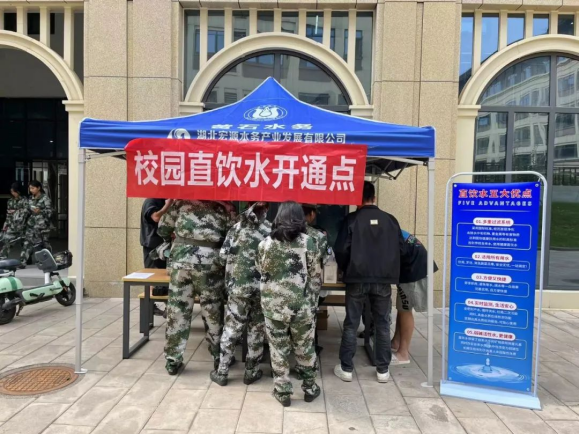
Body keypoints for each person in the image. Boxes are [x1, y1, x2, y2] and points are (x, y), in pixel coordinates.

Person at [333, 181, 408, 383]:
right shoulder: (391, 220)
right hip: (383, 280)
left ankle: (346, 368)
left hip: (356, 278)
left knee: (351, 323)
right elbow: (402, 250)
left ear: (357, 198)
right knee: (382, 323)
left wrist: (347, 268)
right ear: (374, 197)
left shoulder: (351, 220)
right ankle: (383, 370)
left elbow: (340, 250)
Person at [158, 200, 237, 375]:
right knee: (212, 312)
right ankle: (218, 357)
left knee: (177, 310)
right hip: (210, 263)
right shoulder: (224, 206)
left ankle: (173, 360)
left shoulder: (180, 202)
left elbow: (163, 228)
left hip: (181, 262)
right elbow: (234, 234)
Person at [255, 201, 321, 407]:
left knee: (278, 348)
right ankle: (310, 388)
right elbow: (315, 276)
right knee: (305, 347)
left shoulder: (265, 244)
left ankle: (282, 391)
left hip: (273, 307)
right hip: (301, 307)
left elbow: (260, 270)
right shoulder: (309, 242)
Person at [210, 202, 271, 387]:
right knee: (256, 331)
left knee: (231, 330)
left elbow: (222, 257)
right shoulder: (271, 230)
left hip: (237, 289)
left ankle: (222, 372)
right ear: (266, 210)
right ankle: (251, 372)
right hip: (261, 290)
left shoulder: (235, 229)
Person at [390, 230, 437, 365]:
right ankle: (396, 342)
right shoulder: (389, 225)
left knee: (406, 309)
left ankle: (403, 354)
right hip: (412, 265)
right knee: (402, 307)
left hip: (414, 269)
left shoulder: (383, 230)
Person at [301, 204, 330, 358]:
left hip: (288, 286)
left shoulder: (282, 233)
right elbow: (325, 260)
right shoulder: (318, 236)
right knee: (309, 320)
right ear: (311, 214)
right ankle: (309, 353)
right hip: (310, 287)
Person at [141, 198, 173, 316]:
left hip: (163, 246)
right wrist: (168, 205)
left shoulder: (162, 200)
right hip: (152, 246)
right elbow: (156, 217)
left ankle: (168, 308)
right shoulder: (151, 201)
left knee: (165, 277)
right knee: (152, 278)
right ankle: (149, 310)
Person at [20, 180, 53, 268]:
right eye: (30, 188)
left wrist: (40, 211)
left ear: (38, 188)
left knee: (43, 244)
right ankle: (22, 262)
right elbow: (27, 210)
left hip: (42, 226)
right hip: (31, 225)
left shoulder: (45, 198)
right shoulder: (31, 198)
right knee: (27, 242)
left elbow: (50, 212)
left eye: (33, 188)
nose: (31, 190)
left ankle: (47, 262)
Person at [0, 182, 28, 259]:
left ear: (18, 191)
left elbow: (27, 212)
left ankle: (25, 259)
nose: (13, 193)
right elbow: (8, 214)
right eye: (12, 192)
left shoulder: (25, 200)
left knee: (25, 244)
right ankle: (2, 257)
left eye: (14, 191)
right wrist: (5, 225)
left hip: (23, 226)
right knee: (8, 241)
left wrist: (16, 211)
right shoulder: (10, 201)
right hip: (12, 225)